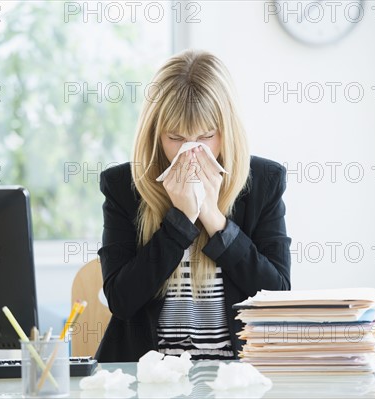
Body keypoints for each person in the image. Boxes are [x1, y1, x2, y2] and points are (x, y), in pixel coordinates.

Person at [95, 49, 291, 362]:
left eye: (206, 136)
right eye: (175, 137)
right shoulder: (122, 186)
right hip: (150, 374)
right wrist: (180, 221)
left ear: (226, 131)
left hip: (236, 375)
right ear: (155, 133)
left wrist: (214, 218)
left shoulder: (264, 182)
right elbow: (121, 300)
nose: (191, 151)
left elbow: (276, 296)